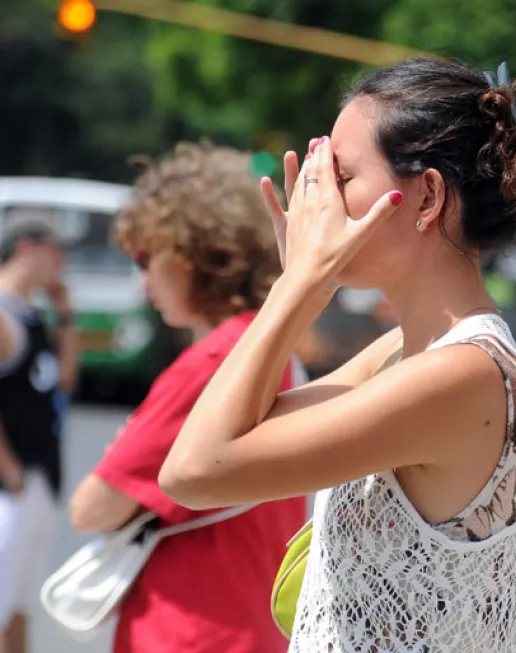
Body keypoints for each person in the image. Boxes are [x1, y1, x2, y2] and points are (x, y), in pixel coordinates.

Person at [160, 60, 516, 652]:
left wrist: (298, 286)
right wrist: (304, 286)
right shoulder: (403, 353)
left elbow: (194, 472)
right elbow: (239, 430)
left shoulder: (461, 374)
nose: (318, 201)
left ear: (428, 196)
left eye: (340, 177)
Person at [68, 142, 307, 653]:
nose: (142, 277)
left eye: (145, 256)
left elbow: (91, 509)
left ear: (191, 254)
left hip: (188, 627)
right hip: (253, 618)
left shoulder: (212, 363)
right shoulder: (271, 345)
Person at [0, 222, 78, 653]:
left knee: (18, 605)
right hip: (13, 482)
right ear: (26, 248)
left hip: (38, 476)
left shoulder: (30, 313)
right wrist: (9, 471)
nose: (62, 264)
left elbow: (63, 380)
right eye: (56, 251)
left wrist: (64, 315)